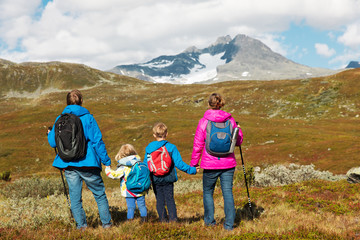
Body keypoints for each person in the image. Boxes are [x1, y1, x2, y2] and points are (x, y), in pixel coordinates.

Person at [47, 89, 112, 229]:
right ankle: (107, 225)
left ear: (67, 103)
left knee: (75, 199)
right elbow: (97, 141)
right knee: (99, 195)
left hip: (69, 165)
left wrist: (49, 134)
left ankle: (81, 227)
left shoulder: (60, 119)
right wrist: (106, 161)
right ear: (81, 101)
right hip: (88, 163)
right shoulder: (88, 118)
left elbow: (53, 143)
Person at [190, 93, 243, 231]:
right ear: (222, 103)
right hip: (228, 163)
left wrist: (194, 164)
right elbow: (239, 141)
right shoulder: (230, 120)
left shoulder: (203, 121)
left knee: (208, 192)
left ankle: (209, 223)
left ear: (209, 104)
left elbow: (197, 145)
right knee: (227, 192)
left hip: (209, 163)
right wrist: (238, 128)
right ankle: (229, 225)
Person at [144, 122, 199, 222]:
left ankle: (163, 220)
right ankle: (173, 220)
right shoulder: (171, 147)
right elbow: (179, 164)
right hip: (168, 178)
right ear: (167, 134)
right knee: (170, 199)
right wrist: (192, 170)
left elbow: (146, 165)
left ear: (154, 135)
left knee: (159, 200)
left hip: (155, 179)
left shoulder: (149, 148)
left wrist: (147, 181)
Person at [105, 144, 148, 222]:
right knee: (142, 205)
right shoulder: (139, 163)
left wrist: (107, 169)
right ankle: (144, 220)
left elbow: (114, 175)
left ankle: (130, 221)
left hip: (129, 191)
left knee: (131, 207)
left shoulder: (123, 167)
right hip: (141, 189)